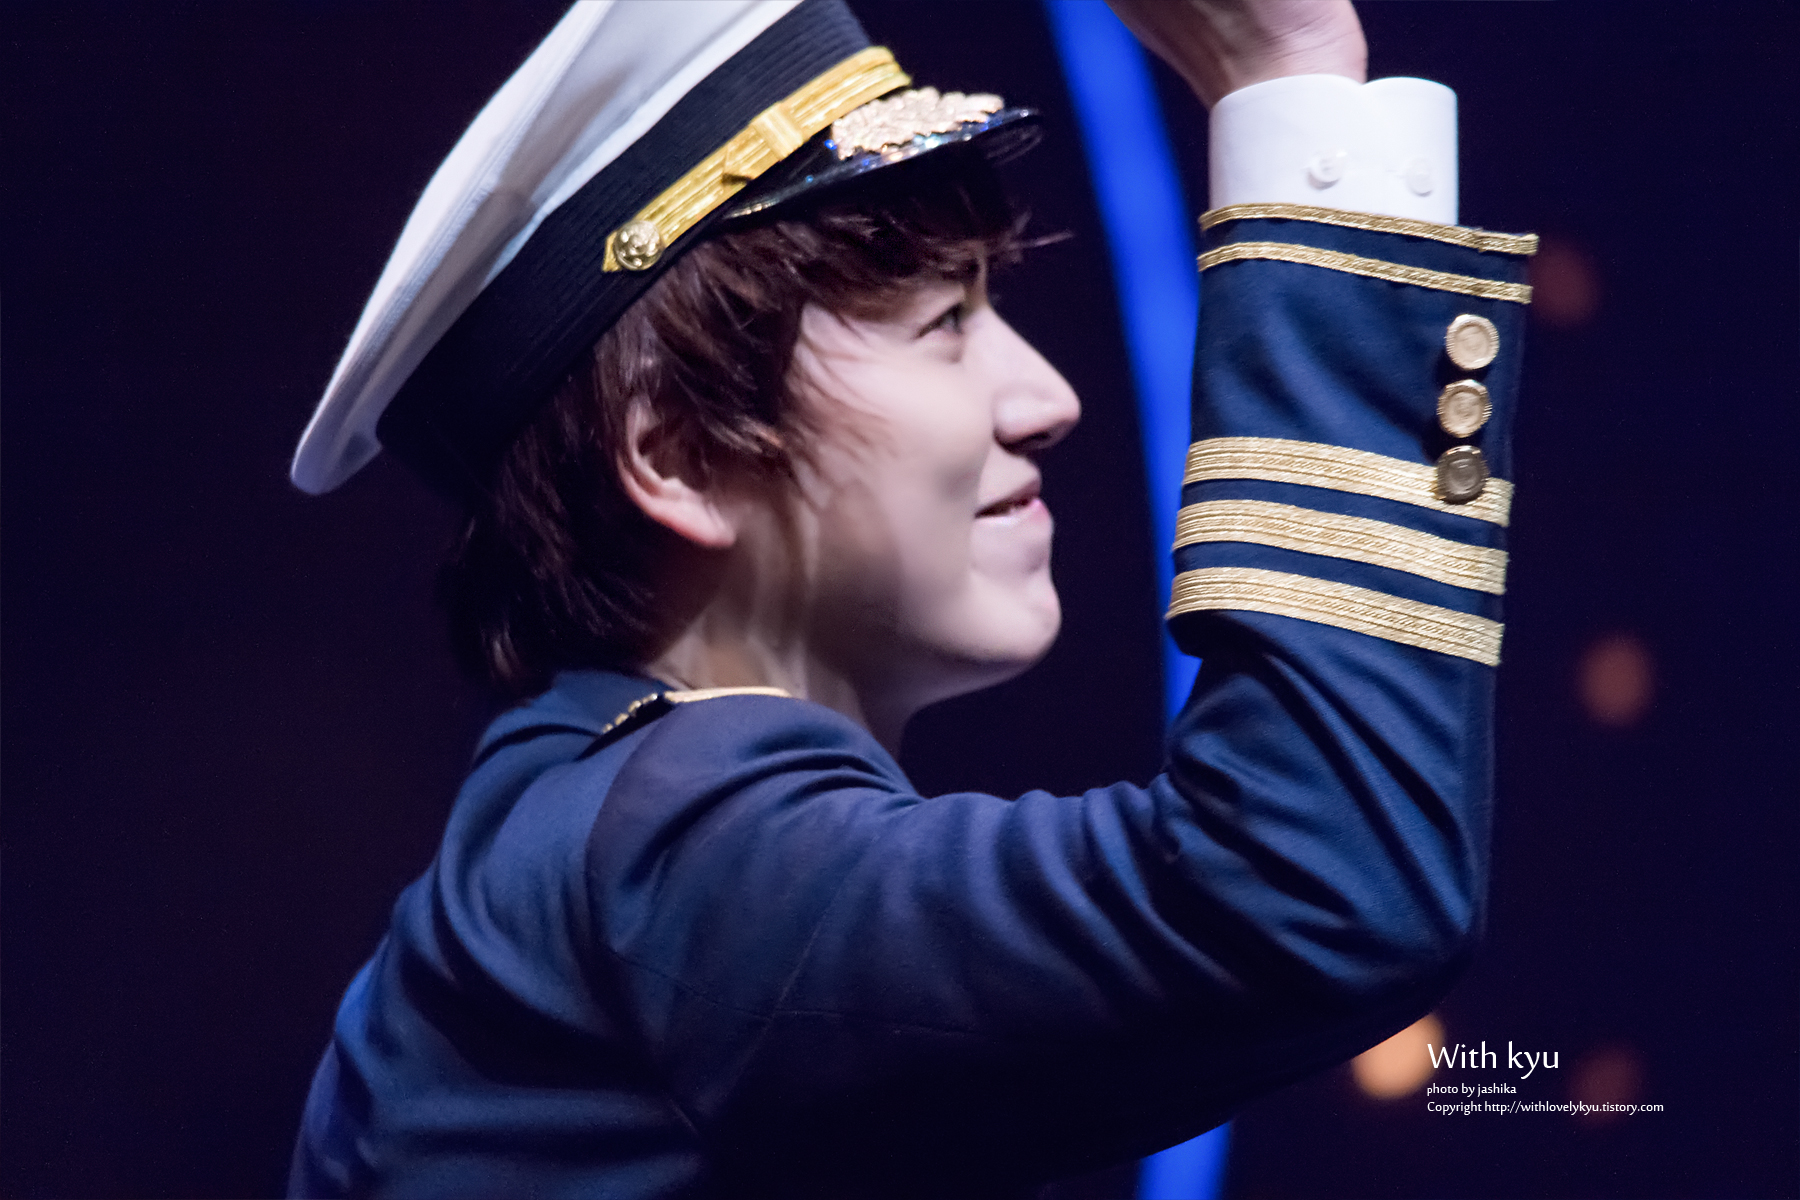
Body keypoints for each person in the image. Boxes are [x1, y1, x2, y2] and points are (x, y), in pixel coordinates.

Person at [287, 0, 1535, 1195]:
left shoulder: (587, 845)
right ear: (678, 454)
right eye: (943, 321)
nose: (1049, 399)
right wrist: (1293, 90)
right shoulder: (672, 862)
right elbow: (1311, 884)